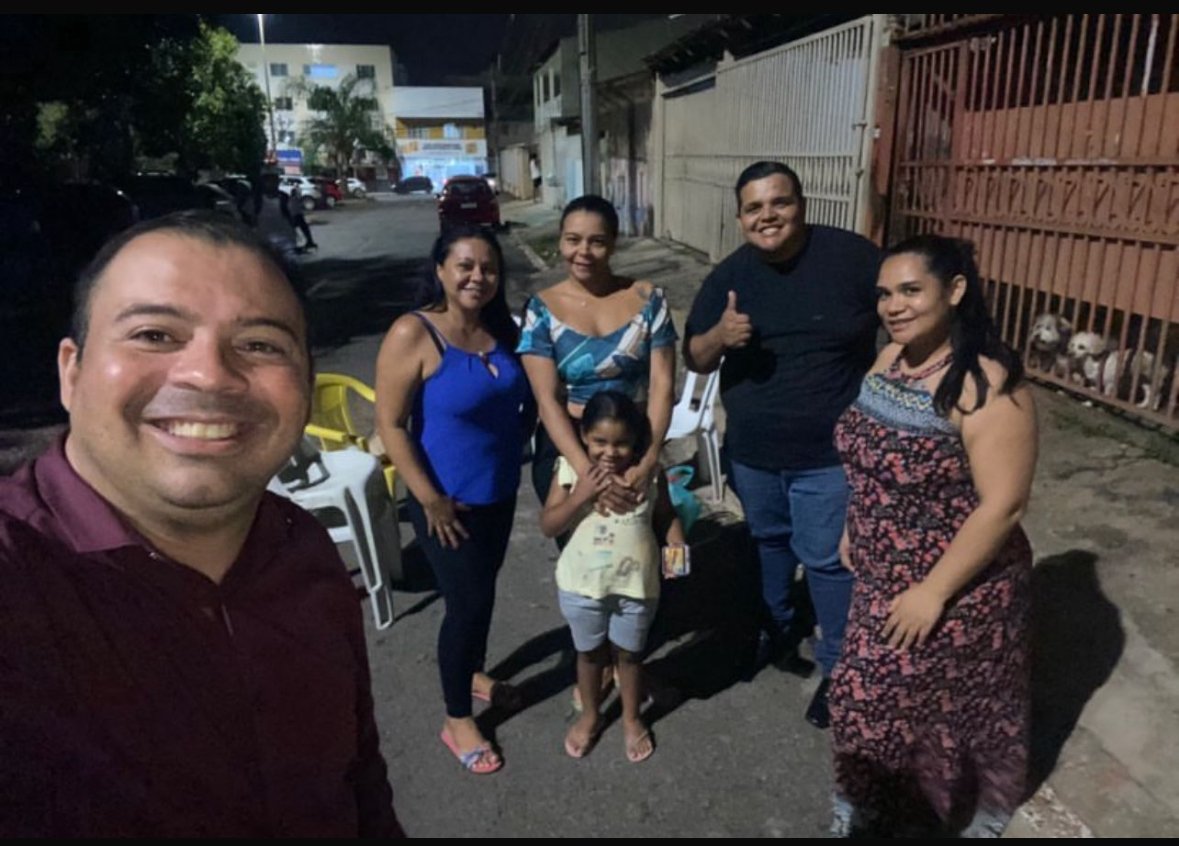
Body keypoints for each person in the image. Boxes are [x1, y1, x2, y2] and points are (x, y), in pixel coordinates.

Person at [0, 210, 404, 837]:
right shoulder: (18, 582)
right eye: (154, 334)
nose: (209, 373)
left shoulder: (302, 548)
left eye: (260, 345)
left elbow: (359, 781)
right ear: (71, 372)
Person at [829, 234, 1036, 838]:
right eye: (884, 294)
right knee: (863, 704)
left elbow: (1004, 505)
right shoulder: (891, 358)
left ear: (956, 290)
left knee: (951, 714)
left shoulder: (987, 385)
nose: (893, 306)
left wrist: (933, 592)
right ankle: (867, 807)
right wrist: (853, 524)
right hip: (880, 575)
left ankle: (957, 815)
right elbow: (866, 454)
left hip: (958, 587)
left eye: (911, 291)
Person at [682, 161, 881, 727]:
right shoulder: (730, 276)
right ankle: (776, 629)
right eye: (754, 208)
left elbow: (905, 312)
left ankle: (839, 669)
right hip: (754, 451)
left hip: (828, 454)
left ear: (801, 205)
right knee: (768, 543)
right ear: (740, 217)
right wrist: (720, 336)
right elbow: (695, 356)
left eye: (780, 203)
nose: (767, 216)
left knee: (827, 560)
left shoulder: (851, 258)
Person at [374, 224, 534, 776]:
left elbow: (524, 399)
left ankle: (473, 672)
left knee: (482, 595)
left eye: (488, 268)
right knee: (465, 604)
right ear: (441, 269)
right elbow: (391, 425)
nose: (477, 277)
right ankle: (457, 717)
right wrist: (430, 499)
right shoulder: (413, 333)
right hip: (445, 504)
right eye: (465, 265)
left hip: (498, 494)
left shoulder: (501, 330)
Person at [540, 391, 685, 764]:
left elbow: (665, 515)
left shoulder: (648, 474)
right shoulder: (570, 470)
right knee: (589, 656)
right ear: (584, 436)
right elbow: (549, 525)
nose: (610, 452)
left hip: (636, 588)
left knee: (631, 656)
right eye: (600, 441)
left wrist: (676, 545)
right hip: (581, 588)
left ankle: (632, 718)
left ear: (636, 442)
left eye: (621, 443)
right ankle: (591, 715)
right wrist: (580, 497)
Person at [518, 193, 677, 524]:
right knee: (583, 550)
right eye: (573, 240)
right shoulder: (540, 311)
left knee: (646, 541)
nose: (583, 252)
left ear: (613, 244)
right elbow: (547, 400)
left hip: (633, 446)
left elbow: (662, 385)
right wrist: (588, 475)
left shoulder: (649, 300)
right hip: (568, 451)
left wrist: (648, 460)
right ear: (560, 240)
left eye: (597, 242)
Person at [254, 171, 298, 263]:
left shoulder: (285, 198)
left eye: (273, 181)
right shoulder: (257, 200)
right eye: (268, 181)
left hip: (286, 242)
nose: (271, 184)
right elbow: (248, 219)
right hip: (266, 243)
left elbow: (297, 218)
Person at [287, 183, 318, 252]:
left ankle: (308, 242)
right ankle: (308, 242)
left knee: (300, 228)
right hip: (296, 215)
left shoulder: (292, 199)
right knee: (302, 228)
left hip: (296, 215)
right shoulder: (295, 199)